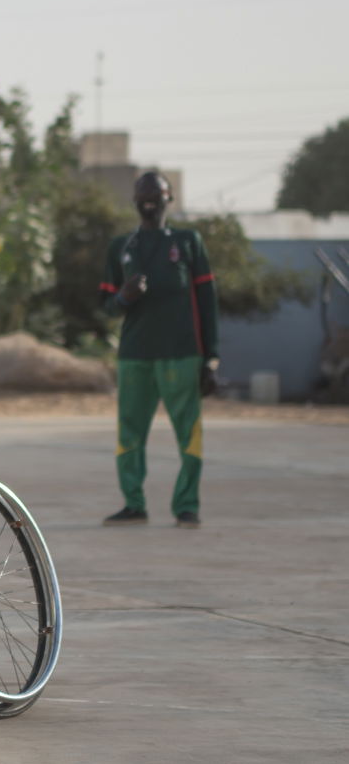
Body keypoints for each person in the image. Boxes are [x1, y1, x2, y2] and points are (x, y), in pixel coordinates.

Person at [98, 171, 219, 528]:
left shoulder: (188, 241)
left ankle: (187, 505)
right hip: (135, 355)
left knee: (189, 431)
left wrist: (211, 358)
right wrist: (124, 297)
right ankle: (133, 503)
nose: (149, 200)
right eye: (143, 194)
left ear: (170, 198)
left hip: (182, 353)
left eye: (157, 194)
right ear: (134, 201)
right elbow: (106, 305)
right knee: (130, 430)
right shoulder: (122, 246)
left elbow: (207, 301)